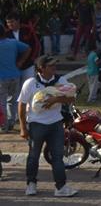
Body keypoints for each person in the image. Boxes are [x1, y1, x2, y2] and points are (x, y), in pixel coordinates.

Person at [19, 55, 79, 197]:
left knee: (58, 157)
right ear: (42, 68)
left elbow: (72, 97)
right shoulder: (31, 83)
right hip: (36, 125)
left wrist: (56, 99)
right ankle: (31, 185)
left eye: (55, 65)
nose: (54, 68)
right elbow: (21, 105)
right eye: (51, 66)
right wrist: (23, 128)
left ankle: (61, 187)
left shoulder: (60, 81)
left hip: (56, 124)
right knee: (33, 156)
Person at [0, 31, 28, 132]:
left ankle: (4, 125)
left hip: (1, 78)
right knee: (12, 101)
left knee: (1, 102)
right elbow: (28, 48)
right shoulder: (13, 42)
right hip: (15, 75)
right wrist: (21, 61)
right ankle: (11, 122)